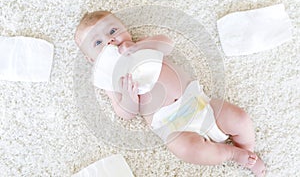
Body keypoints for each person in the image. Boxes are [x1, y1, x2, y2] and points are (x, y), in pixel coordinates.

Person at [74, 10, 266, 176]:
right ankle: (232, 154)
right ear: (91, 59)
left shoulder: (142, 46)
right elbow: (126, 113)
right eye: (98, 42)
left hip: (199, 103)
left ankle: (248, 151)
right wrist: (129, 98)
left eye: (113, 31)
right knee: (187, 149)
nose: (110, 40)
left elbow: (167, 44)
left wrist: (139, 46)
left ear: (126, 29)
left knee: (239, 118)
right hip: (174, 127)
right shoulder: (109, 78)